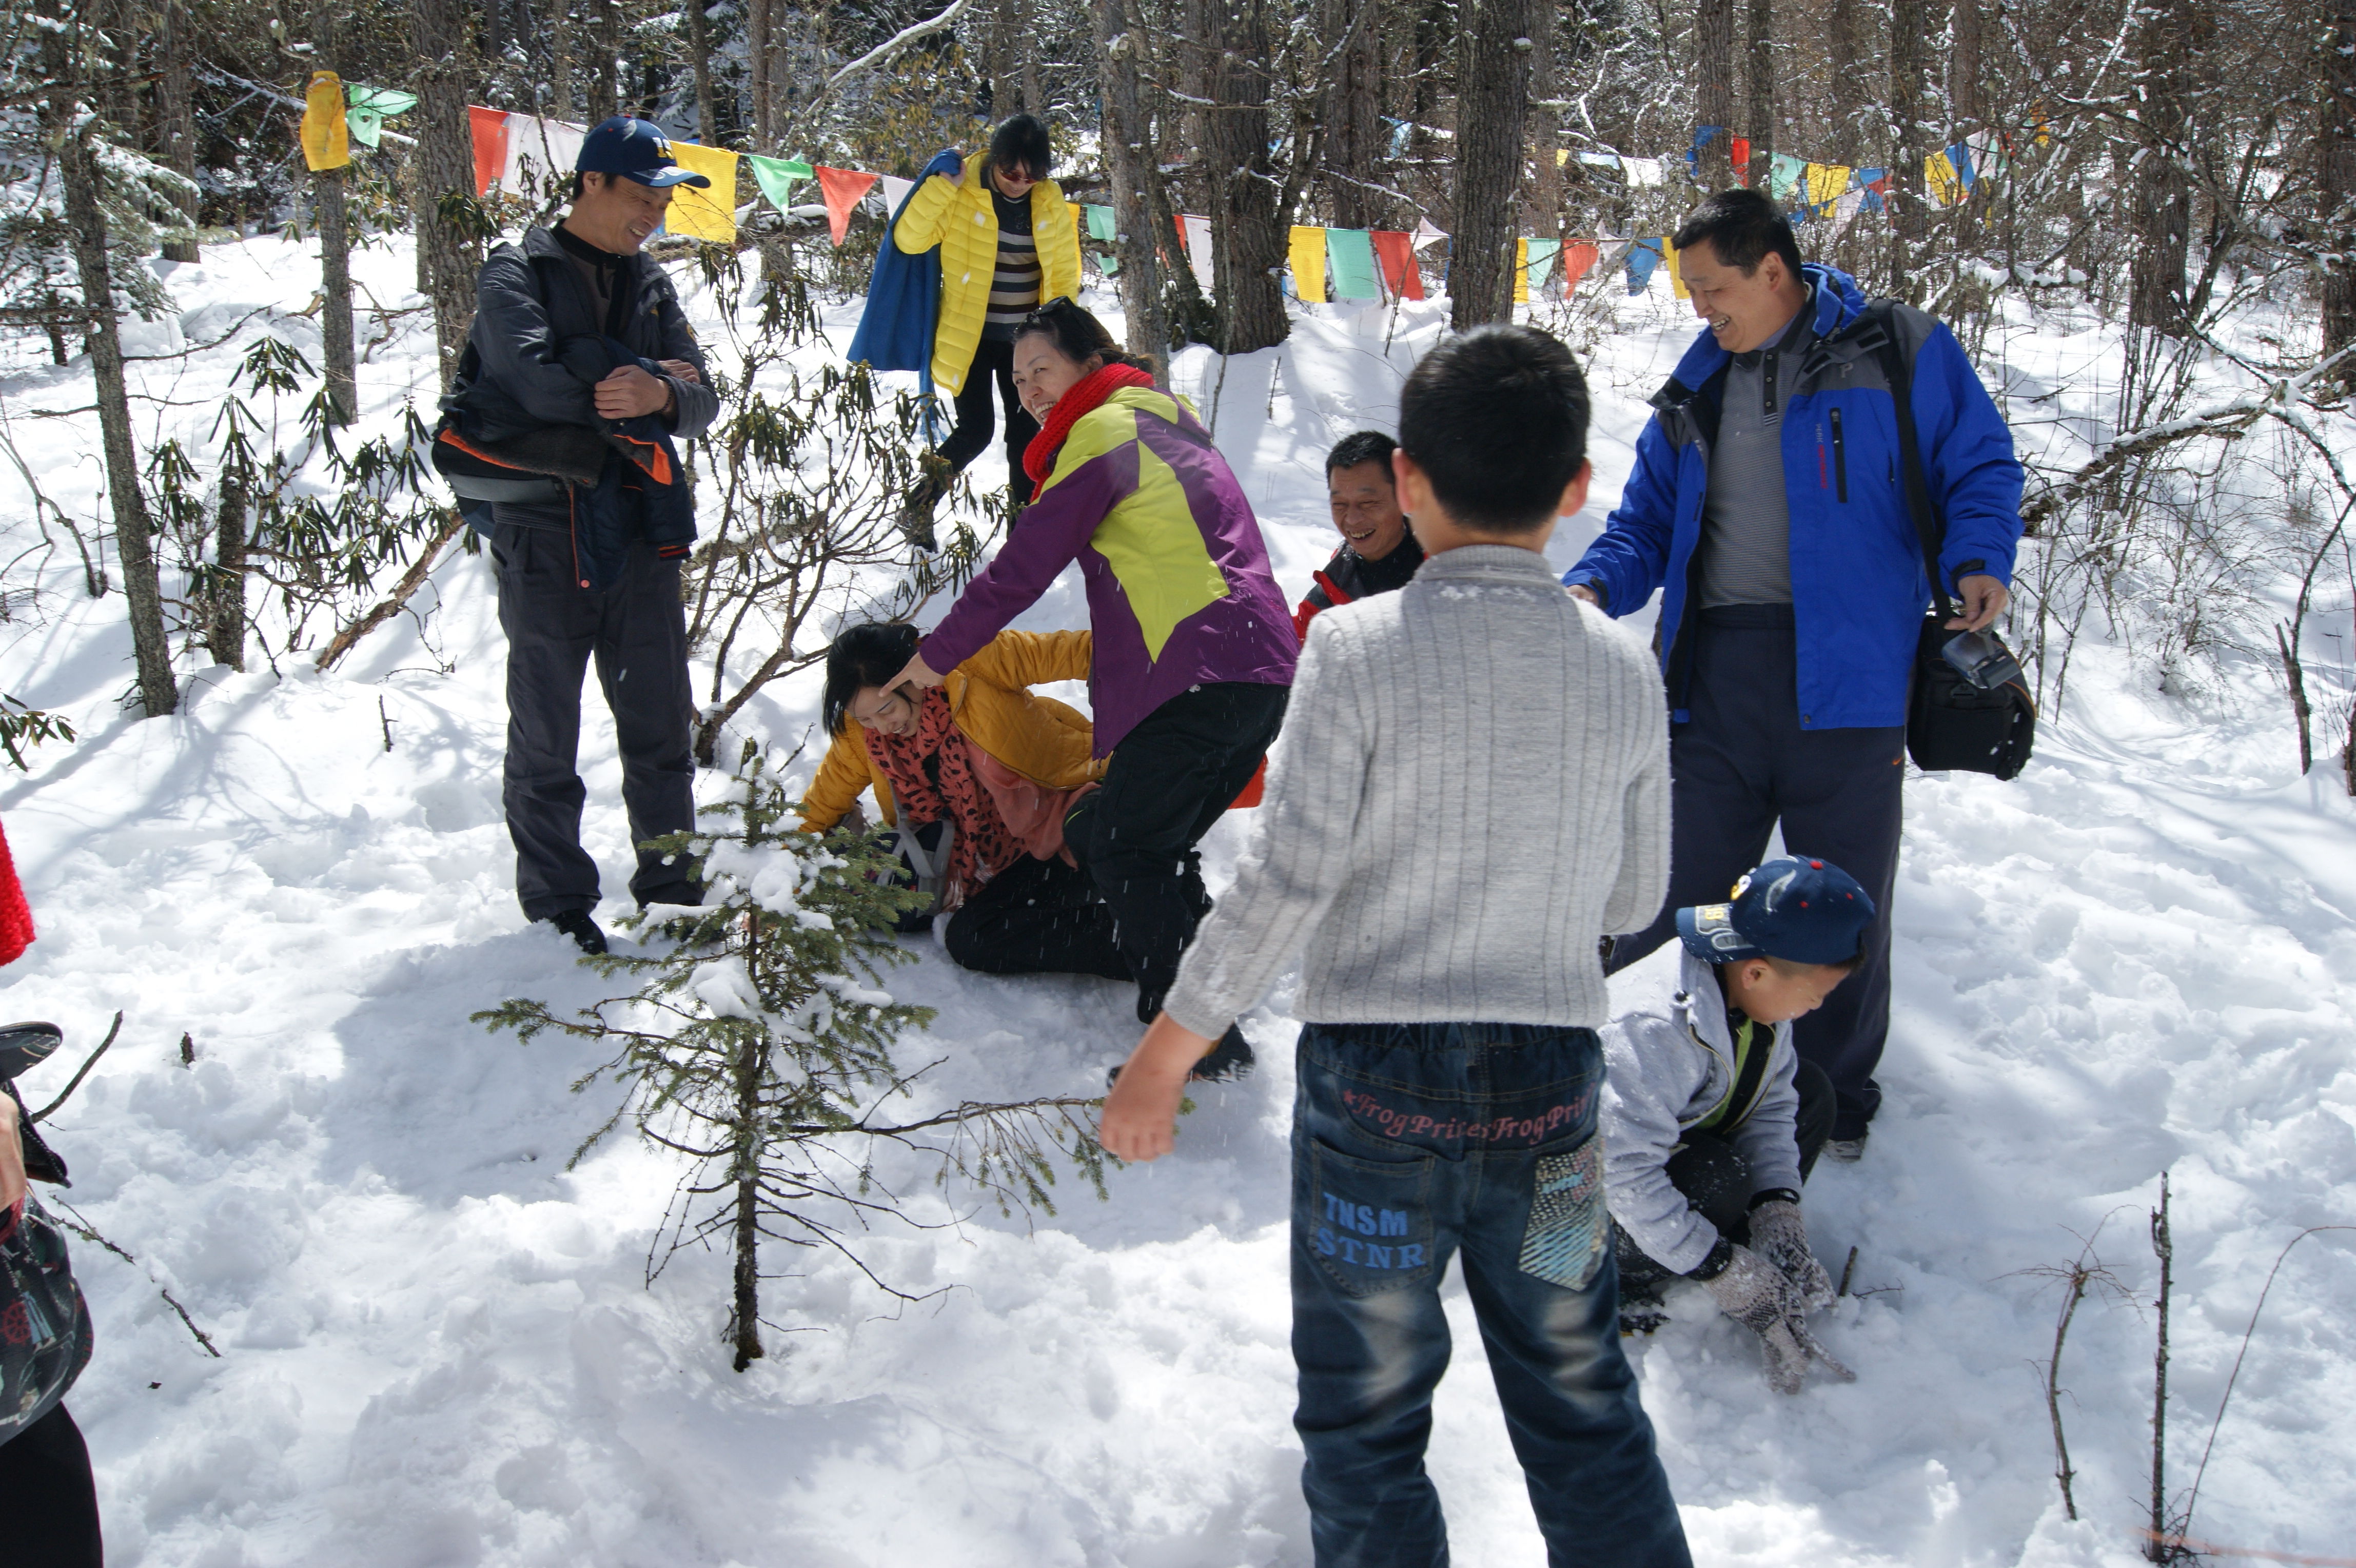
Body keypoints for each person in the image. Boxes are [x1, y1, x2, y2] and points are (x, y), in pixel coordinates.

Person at [1100, 325, 1690, 1568]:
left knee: (1367, 1419)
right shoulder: (1625, 671)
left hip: (1376, 1089)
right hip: (1550, 1100)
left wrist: (1166, 1051)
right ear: (1578, 487)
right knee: (1583, 1404)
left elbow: (1289, 875)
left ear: (1409, 479)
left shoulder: (1355, 648)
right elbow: (1634, 890)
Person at [1562, 187, 2025, 1158]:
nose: (1699, 306)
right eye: (1689, 289)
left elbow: (1977, 460)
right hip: (1712, 677)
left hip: (1854, 677)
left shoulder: (1894, 348)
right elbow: (1643, 521)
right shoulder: (1696, 384)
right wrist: (1594, 588)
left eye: (1711, 287)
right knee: (1678, 889)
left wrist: (1979, 554)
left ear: (1772, 271)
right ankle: (1661, 1086)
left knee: (1842, 900)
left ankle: (1830, 1100)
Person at [885, 299, 1295, 1074]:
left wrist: (928, 664)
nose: (1029, 390)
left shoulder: (1105, 435)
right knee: (1125, 837)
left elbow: (1017, 574)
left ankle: (1198, 1042)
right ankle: (1186, 980)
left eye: (1041, 368)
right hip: (1258, 672)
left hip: (1196, 670)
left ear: (1088, 360)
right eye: (1016, 379)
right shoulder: (1170, 426)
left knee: (1125, 848)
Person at [442, 116, 721, 956]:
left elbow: (702, 394)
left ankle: (672, 893)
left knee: (660, 725)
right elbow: (530, 381)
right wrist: (634, 383)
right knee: (544, 726)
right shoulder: (516, 270)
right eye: (641, 197)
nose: (652, 217)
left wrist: (663, 396)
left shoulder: (649, 284)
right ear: (590, 184)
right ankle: (559, 903)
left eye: (662, 204)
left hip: (638, 530)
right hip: (543, 530)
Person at [1601, 855, 1862, 1394]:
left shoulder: (1749, 989)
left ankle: (1719, 1237)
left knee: (1811, 1093)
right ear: (1756, 972)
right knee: (1715, 1174)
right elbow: (1622, 1173)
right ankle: (1624, 1286)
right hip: (1581, 1201)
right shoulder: (1654, 1027)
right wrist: (1725, 1272)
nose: (1816, 1005)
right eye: (1816, 992)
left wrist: (1777, 1211)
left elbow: (1771, 1105)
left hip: (1669, 1142)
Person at [802, 622, 1139, 988]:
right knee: (972, 939)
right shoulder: (859, 737)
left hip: (1069, 809)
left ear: (912, 676)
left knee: (1096, 831)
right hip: (1004, 865)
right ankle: (1145, 945)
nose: (881, 728)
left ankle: (1166, 921)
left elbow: (1086, 650)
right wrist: (779, 884)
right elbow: (818, 809)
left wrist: (1182, 678)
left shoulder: (971, 664)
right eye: (865, 718)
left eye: (886, 710)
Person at [892, 114, 1084, 540]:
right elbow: (910, 238)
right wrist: (943, 188)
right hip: (971, 339)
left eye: (1032, 177)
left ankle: (1023, 537)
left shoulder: (1049, 200)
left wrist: (1063, 328)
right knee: (975, 432)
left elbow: (1065, 270)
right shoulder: (964, 191)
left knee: (1026, 439)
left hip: (1027, 346)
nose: (1020, 183)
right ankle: (917, 507)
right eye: (1011, 173)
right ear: (995, 160)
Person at [1292, 430, 1425, 638]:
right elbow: (1287, 650)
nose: (1352, 519)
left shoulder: (1447, 567)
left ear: (1403, 495)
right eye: (1340, 505)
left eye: (1368, 503)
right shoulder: (1331, 590)